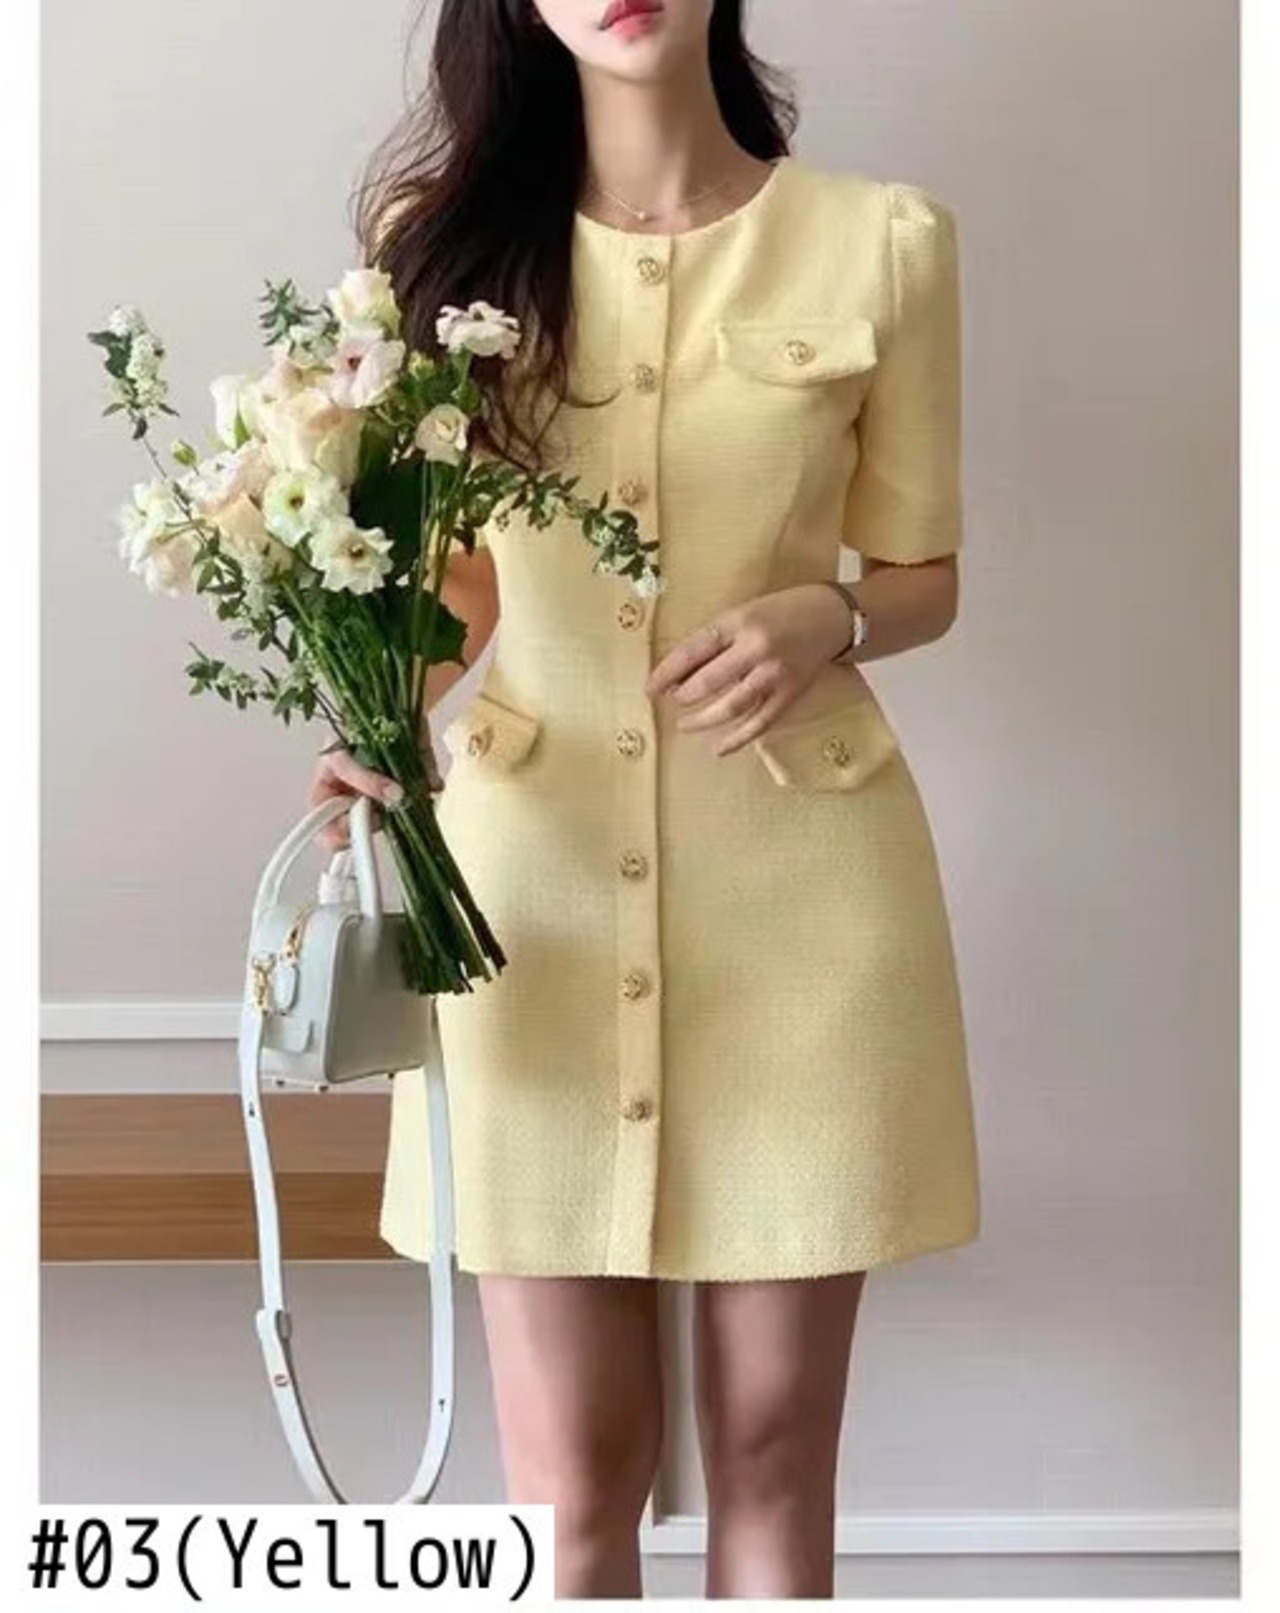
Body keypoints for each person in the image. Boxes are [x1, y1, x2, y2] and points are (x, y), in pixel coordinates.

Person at [308, 0, 981, 1598]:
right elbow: (450, 587)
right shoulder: (435, 252)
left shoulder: (884, 242)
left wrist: (828, 616)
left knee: (770, 1451)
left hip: (807, 901)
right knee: (567, 1486)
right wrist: (376, 714)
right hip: (523, 913)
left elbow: (924, 572)